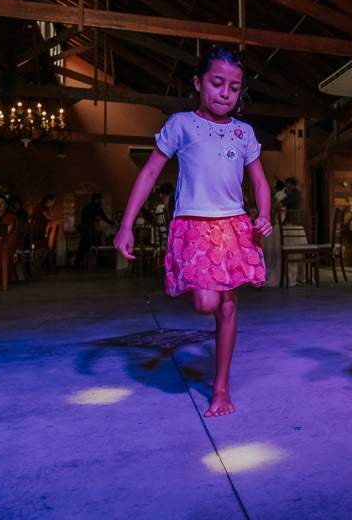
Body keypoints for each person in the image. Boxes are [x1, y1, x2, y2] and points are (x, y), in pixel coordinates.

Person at [114, 45, 272, 418]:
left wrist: (263, 213)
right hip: (193, 225)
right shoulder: (181, 124)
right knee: (205, 303)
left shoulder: (243, 132)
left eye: (233, 88)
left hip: (234, 226)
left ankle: (221, 388)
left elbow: (260, 181)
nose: (225, 93)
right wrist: (126, 224)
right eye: (217, 83)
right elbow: (150, 173)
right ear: (199, 82)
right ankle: (188, 285)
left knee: (228, 307)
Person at [75, 193, 115, 268]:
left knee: (82, 246)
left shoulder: (87, 207)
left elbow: (86, 218)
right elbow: (104, 218)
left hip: (84, 229)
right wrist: (113, 223)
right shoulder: (97, 207)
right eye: (100, 199)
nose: (101, 201)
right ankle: (101, 264)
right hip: (88, 229)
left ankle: (78, 263)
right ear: (97, 199)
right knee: (94, 245)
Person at [30, 194, 57, 275]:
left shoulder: (42, 207)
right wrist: (61, 219)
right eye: (53, 201)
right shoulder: (42, 207)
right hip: (37, 231)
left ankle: (38, 267)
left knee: (44, 248)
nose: (54, 203)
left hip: (39, 231)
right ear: (49, 201)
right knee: (42, 249)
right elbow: (48, 217)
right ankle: (37, 267)